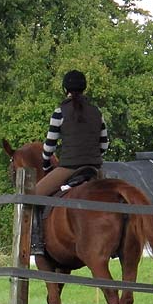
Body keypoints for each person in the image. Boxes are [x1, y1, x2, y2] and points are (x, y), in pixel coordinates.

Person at [31, 70, 109, 255]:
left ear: (64, 88)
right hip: (95, 168)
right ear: (84, 88)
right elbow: (104, 145)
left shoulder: (60, 112)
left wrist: (46, 165)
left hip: (69, 168)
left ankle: (36, 242)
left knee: (31, 197)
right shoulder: (97, 112)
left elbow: (49, 147)